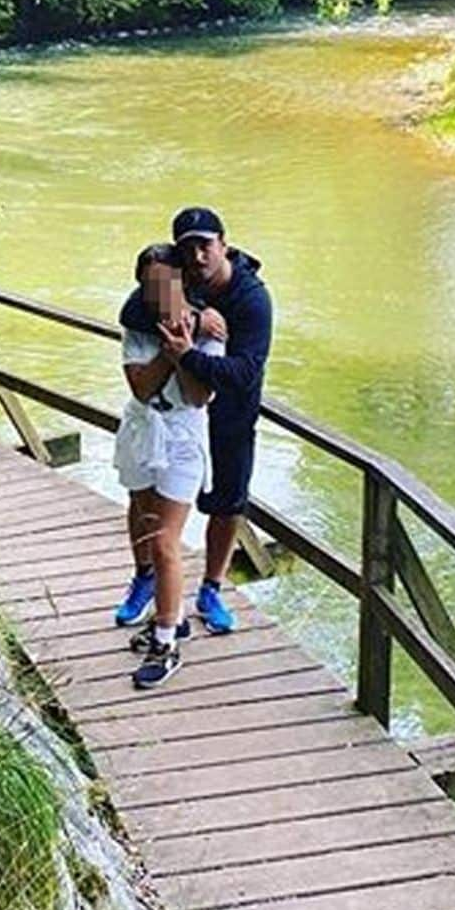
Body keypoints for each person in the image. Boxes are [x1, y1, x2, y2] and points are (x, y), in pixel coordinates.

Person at [115, 208, 272, 635]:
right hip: (177, 412)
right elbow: (136, 310)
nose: (198, 255)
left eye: (206, 245)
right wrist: (196, 321)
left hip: (231, 408)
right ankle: (145, 578)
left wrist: (186, 354)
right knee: (144, 500)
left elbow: (244, 372)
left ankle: (212, 589)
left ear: (225, 244)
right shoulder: (173, 281)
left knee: (228, 501)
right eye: (189, 248)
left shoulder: (251, 299)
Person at [113, 243, 224, 688]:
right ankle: (167, 613)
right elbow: (140, 387)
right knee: (141, 517)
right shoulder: (138, 321)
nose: (158, 293)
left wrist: (186, 351)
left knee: (165, 541)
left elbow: (200, 396)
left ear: (181, 281)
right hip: (143, 426)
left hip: (181, 435)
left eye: (166, 283)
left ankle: (166, 643)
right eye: (149, 284)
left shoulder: (211, 327)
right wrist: (169, 350)